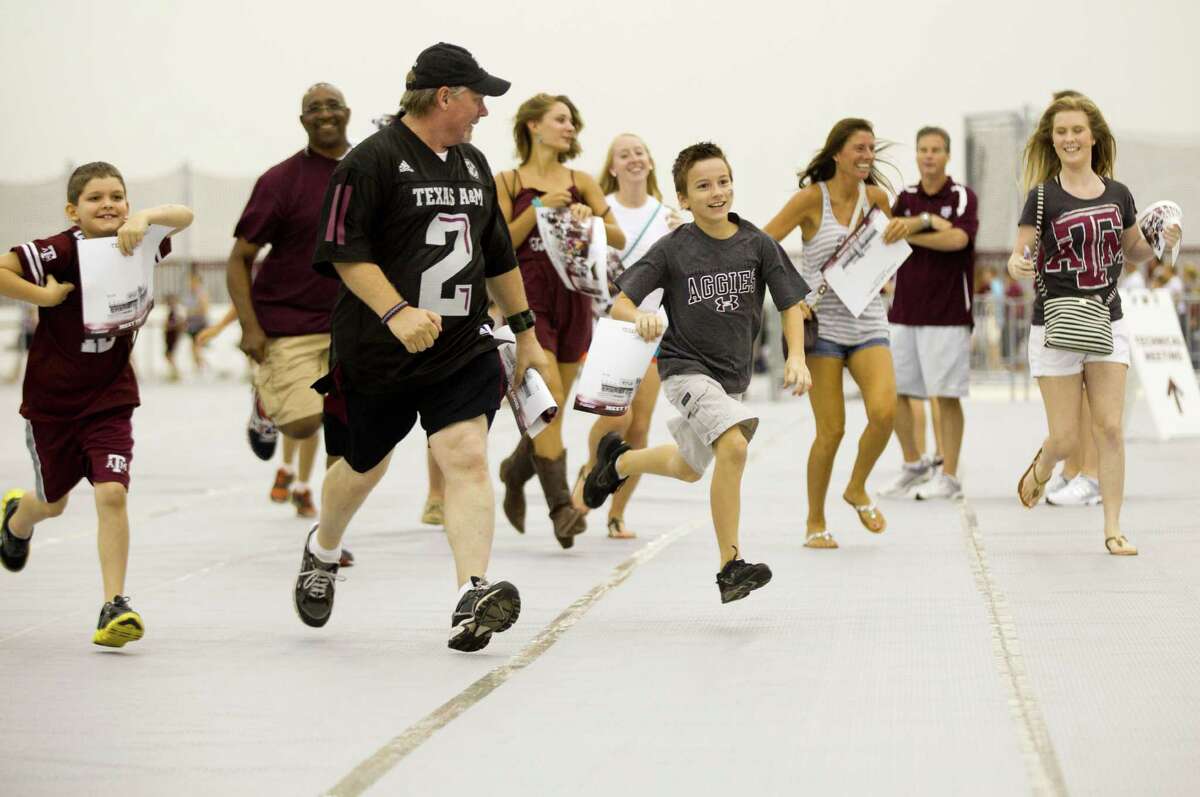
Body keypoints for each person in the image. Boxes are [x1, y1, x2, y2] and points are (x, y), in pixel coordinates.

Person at [293, 43, 548, 652]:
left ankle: (471, 595)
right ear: (445, 96)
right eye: (478, 97)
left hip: (460, 346)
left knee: (464, 454)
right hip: (378, 351)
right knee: (362, 467)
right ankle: (322, 548)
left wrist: (526, 332)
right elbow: (343, 252)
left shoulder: (473, 163)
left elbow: (497, 255)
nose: (485, 111)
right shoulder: (369, 163)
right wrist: (397, 311)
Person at [583, 141, 811, 602]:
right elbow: (621, 300)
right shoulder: (673, 250)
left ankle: (617, 461)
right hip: (685, 369)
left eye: (723, 182)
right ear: (683, 199)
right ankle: (731, 565)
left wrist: (797, 356)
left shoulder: (758, 243)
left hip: (731, 381)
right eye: (703, 186)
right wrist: (640, 317)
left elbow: (790, 303)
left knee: (689, 467)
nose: (716, 192)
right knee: (733, 446)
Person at [0, 161, 193, 647]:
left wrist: (145, 216)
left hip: (110, 398)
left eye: (117, 196)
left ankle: (115, 605)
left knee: (112, 493)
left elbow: (184, 214)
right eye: (95, 198)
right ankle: (15, 520)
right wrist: (41, 296)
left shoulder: (139, 238)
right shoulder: (60, 249)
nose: (108, 205)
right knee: (52, 502)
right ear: (73, 209)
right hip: (53, 404)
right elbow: (2, 270)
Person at [1009, 93, 1181, 555]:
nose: (1069, 138)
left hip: (1108, 318)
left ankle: (1113, 527)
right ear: (1052, 139)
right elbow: (1018, 254)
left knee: (1109, 428)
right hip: (1055, 324)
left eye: (1077, 130)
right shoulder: (1043, 196)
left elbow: (1132, 252)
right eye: (1061, 131)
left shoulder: (1117, 193)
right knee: (1065, 437)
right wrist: (1018, 264)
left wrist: (1158, 240)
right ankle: (1044, 467)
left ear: (1094, 137)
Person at [764, 118, 909, 549]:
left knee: (884, 412)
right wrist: (793, 294)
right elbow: (764, 243)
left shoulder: (879, 198)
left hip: (868, 322)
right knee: (831, 430)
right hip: (822, 328)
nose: (867, 156)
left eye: (871, 149)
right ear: (837, 154)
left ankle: (857, 487)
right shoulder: (811, 200)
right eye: (858, 149)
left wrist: (900, 233)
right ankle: (815, 520)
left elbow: (889, 249)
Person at [494, 93, 626, 548]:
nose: (571, 128)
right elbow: (496, 245)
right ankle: (561, 509)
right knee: (546, 397)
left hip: (575, 299)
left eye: (573, 122)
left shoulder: (581, 180)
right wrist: (536, 210)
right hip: (529, 303)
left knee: (551, 411)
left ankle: (515, 470)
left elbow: (617, 236)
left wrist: (587, 217)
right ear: (533, 125)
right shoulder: (508, 183)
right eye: (561, 120)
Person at [228, 82, 350, 523]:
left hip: (351, 326)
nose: (324, 114)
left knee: (348, 435)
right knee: (304, 423)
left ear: (347, 112)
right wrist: (250, 328)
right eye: (314, 109)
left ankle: (330, 536)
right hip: (288, 325)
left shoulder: (368, 169)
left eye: (332, 105)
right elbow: (240, 259)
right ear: (303, 122)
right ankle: (267, 402)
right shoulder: (280, 181)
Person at [571, 133, 681, 539]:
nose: (634, 158)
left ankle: (616, 513)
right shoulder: (603, 211)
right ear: (612, 167)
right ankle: (590, 470)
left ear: (650, 162)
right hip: (608, 327)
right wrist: (583, 221)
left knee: (639, 430)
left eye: (640, 152)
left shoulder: (668, 217)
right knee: (619, 414)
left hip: (653, 329)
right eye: (624, 154)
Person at [880, 126, 978, 500]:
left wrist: (913, 233)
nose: (929, 156)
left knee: (945, 395)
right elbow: (883, 235)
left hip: (948, 314)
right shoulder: (904, 198)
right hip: (904, 312)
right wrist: (926, 225)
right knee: (897, 392)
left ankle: (949, 476)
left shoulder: (962, 197)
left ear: (947, 155)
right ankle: (914, 466)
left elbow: (958, 239)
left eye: (936, 149)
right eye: (923, 149)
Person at [182, 267, 209, 373]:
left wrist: (193, 312)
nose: (190, 283)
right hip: (191, 325)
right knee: (193, 348)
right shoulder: (189, 294)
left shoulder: (201, 293)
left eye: (192, 281)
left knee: (197, 347)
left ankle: (204, 367)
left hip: (199, 324)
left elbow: (204, 309)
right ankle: (199, 367)